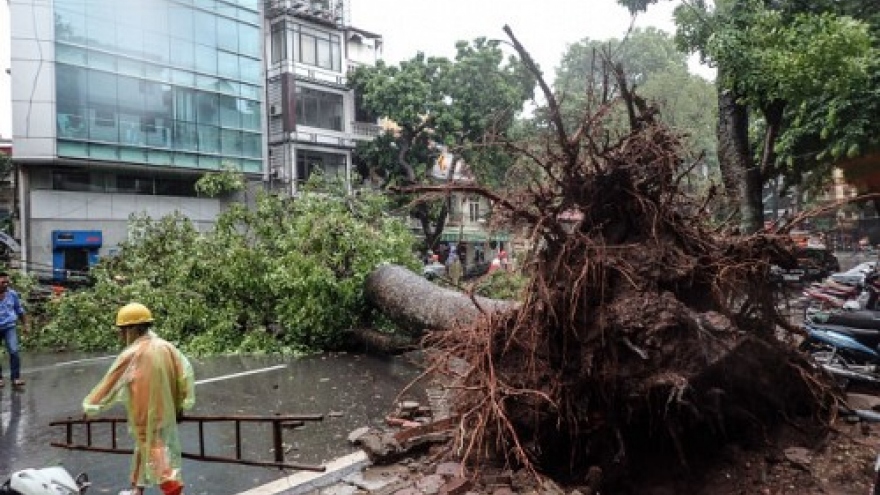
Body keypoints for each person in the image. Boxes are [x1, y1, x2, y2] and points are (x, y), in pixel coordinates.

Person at [83, 302, 195, 495]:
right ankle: (137, 489)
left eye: (122, 330)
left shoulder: (131, 354)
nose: (121, 335)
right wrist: (182, 405)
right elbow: (184, 376)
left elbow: (109, 383)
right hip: (167, 413)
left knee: (155, 452)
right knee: (143, 448)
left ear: (133, 329)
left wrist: (90, 406)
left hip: (145, 416)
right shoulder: (167, 347)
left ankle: (174, 490)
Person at [0, 271, 27, 389]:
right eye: (3, 282)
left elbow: (19, 310)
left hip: (9, 327)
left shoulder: (12, 294)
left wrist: (25, 325)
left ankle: (15, 378)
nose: (6, 284)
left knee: (14, 351)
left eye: (7, 282)